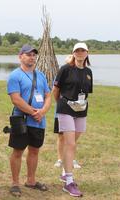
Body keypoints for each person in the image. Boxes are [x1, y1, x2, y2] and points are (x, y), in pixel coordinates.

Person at [6, 44, 51, 197]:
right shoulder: (15, 75)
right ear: (20, 56)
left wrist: (43, 111)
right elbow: (16, 99)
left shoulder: (41, 75)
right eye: (28, 54)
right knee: (18, 151)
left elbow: (48, 96)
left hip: (39, 121)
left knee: (34, 150)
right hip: (22, 119)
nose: (32, 57)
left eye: (33, 55)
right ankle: (15, 183)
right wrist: (33, 112)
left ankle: (31, 181)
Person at [53, 42, 93, 197]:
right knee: (70, 143)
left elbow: (86, 91)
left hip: (81, 109)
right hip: (65, 108)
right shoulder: (65, 69)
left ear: (87, 53)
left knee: (73, 143)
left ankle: (65, 170)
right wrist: (61, 105)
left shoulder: (88, 72)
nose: (80, 53)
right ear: (73, 53)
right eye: (77, 50)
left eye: (83, 50)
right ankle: (69, 181)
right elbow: (56, 90)